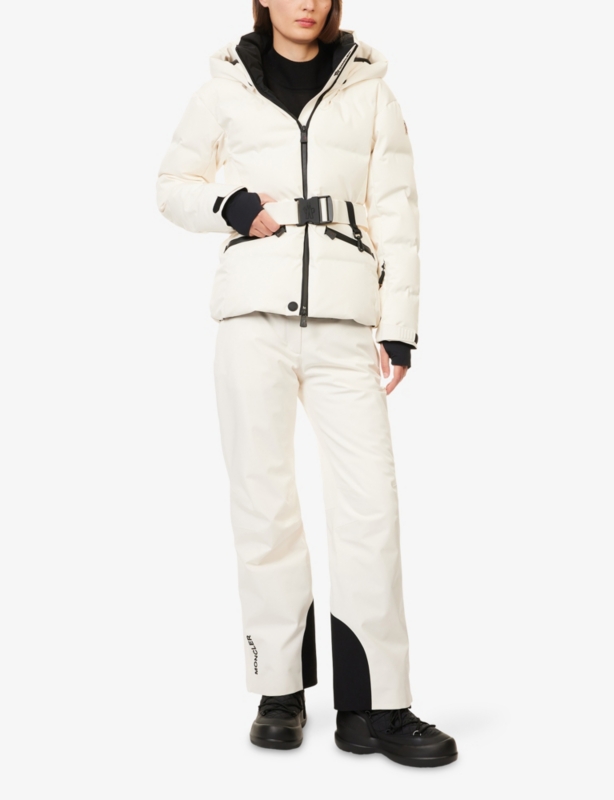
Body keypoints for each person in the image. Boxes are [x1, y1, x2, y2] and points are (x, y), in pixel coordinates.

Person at [156, 0, 458, 768]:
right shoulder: (224, 86)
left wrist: (399, 325)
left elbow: (399, 213)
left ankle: (375, 706)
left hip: (344, 324)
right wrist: (228, 204)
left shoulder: (371, 91)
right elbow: (173, 184)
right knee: (264, 504)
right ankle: (279, 691)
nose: (307, 3)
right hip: (250, 319)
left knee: (370, 507)